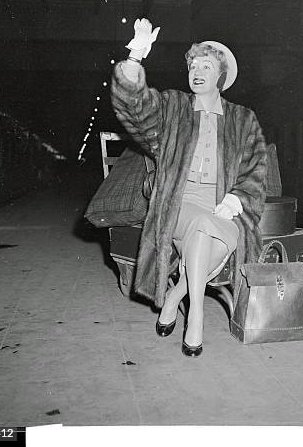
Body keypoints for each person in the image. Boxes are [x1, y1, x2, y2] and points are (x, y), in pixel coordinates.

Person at [111, 19, 267, 357]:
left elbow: (257, 170)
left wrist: (237, 199)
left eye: (206, 66)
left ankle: (178, 294)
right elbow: (134, 107)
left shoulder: (243, 119)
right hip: (179, 204)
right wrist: (136, 56)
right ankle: (196, 315)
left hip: (223, 207)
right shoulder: (172, 108)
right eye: (193, 65)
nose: (197, 70)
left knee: (207, 231)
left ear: (221, 77)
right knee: (199, 228)